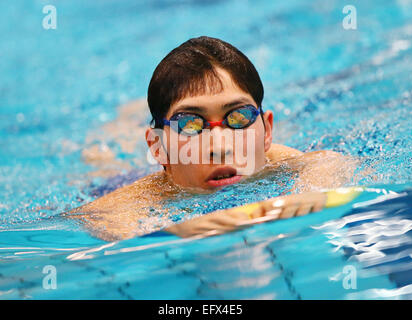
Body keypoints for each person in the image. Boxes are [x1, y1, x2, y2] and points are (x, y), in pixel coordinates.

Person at [65, 36, 357, 241]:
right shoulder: (132, 205)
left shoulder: (288, 165)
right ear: (157, 146)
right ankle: (120, 123)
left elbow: (333, 167)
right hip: (123, 180)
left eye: (239, 117)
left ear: (267, 131)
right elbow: (110, 225)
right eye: (190, 123)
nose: (219, 147)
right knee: (102, 161)